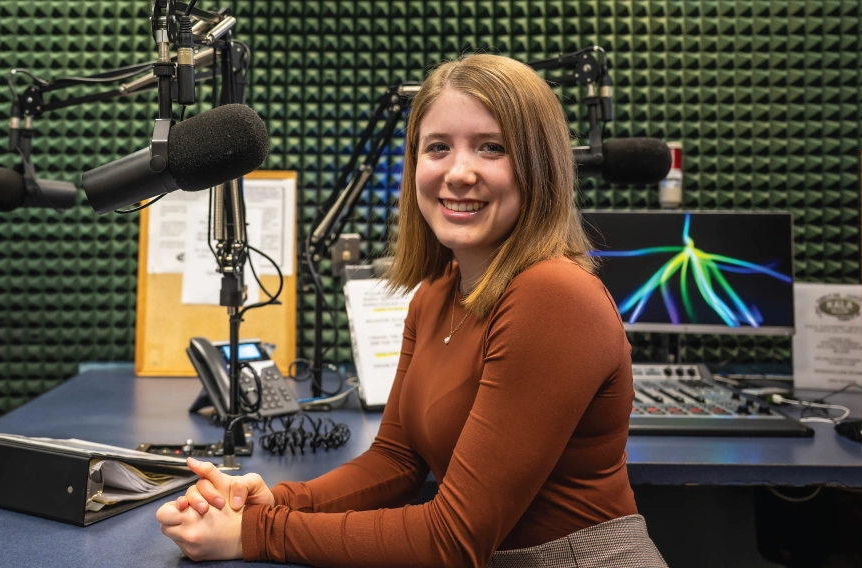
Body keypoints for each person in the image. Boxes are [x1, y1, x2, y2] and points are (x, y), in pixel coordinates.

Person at [155, 53, 667, 567]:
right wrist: (278, 500)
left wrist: (255, 533)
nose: (459, 172)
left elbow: (452, 538)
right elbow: (396, 460)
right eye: (438, 147)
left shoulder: (552, 295)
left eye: (492, 148)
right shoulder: (436, 293)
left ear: (541, 165)